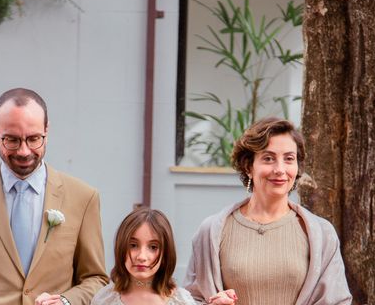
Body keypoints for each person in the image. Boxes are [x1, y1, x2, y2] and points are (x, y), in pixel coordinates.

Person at [0, 88, 108, 305]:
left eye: (34, 139)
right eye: (12, 140)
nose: (24, 151)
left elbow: (97, 280)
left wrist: (65, 300)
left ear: (47, 130)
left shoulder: (84, 197)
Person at [184, 117, 352, 305]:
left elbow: (337, 301)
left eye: (289, 159)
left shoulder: (322, 233)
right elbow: (191, 299)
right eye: (268, 158)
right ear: (248, 166)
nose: (280, 169)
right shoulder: (211, 232)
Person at [91, 207, 196, 305]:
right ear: (120, 247)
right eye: (133, 245)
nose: (141, 257)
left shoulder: (182, 301)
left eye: (153, 247)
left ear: (166, 253)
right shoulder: (104, 300)